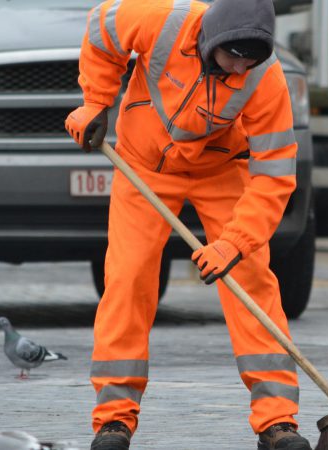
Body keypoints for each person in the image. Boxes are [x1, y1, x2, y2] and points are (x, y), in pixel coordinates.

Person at [65, 0, 310, 448]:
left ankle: (277, 420)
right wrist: (95, 102)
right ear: (210, 38)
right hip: (143, 167)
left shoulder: (265, 78)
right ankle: (114, 419)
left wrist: (234, 244)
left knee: (251, 278)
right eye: (232, 56)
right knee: (128, 277)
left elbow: (275, 174)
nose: (239, 67)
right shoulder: (162, 21)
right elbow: (101, 29)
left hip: (221, 169)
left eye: (249, 59)